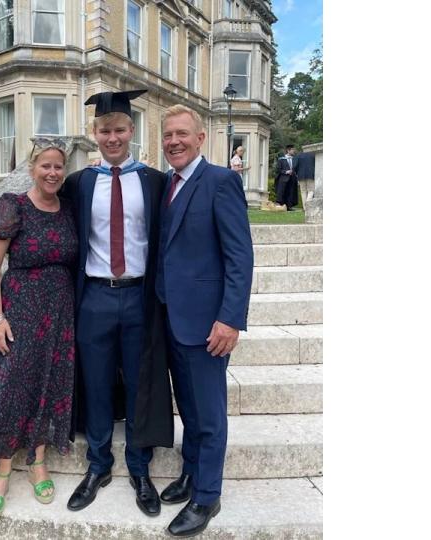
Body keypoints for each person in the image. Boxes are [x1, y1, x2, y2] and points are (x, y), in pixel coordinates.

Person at [58, 89, 173, 517]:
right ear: (95, 133)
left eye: (120, 129)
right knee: (97, 382)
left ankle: (140, 469)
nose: (112, 137)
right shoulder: (79, 182)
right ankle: (98, 465)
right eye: (105, 130)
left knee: (142, 382)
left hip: (140, 297)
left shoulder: (154, 181)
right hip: (95, 298)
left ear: (132, 130)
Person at [155, 104, 254, 537]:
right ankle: (191, 472)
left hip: (208, 324)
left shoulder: (220, 181)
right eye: (167, 135)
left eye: (181, 134)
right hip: (172, 318)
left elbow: (240, 257)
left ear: (200, 139)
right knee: (190, 409)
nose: (173, 141)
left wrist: (230, 319)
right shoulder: (168, 186)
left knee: (210, 414)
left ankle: (207, 496)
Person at [0, 141, 78, 521]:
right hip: (20, 313)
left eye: (58, 167)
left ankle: (38, 461)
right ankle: (0, 471)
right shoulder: (13, 206)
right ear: (32, 169)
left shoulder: (68, 210)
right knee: (12, 388)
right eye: (45, 166)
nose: (52, 173)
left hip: (60, 316)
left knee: (51, 386)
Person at [275, 144, 298, 211]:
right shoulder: (281, 159)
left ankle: (289, 206)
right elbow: (278, 169)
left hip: (292, 178)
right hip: (283, 178)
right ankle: (281, 205)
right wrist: (286, 172)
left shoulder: (294, 159)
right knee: (282, 192)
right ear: (288, 150)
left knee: (291, 192)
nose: (294, 151)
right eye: (292, 150)